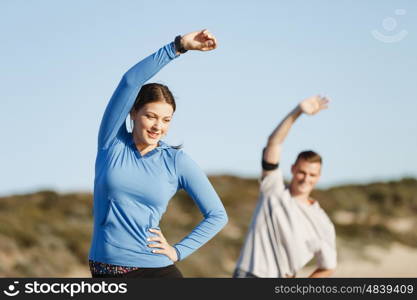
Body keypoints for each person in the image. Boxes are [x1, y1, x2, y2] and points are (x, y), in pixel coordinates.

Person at [88, 30, 228, 278]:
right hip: (103, 269)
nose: (157, 126)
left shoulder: (176, 162)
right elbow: (130, 82)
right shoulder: (111, 143)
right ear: (133, 113)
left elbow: (217, 215)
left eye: (166, 120)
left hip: (154, 271)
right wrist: (178, 47)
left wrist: (178, 251)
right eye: (150, 116)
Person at [234, 95, 337, 278]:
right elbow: (274, 142)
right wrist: (297, 112)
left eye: (312, 175)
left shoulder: (323, 222)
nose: (306, 179)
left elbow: (327, 267)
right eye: (301, 172)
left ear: (318, 178)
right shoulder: (273, 190)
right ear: (292, 169)